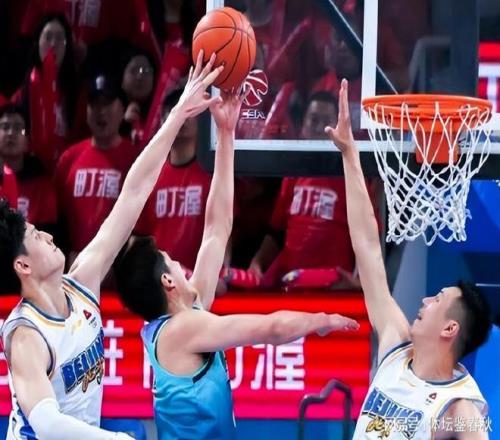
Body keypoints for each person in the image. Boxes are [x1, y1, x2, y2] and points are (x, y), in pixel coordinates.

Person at [113, 86, 360, 439]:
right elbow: (271, 328)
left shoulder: (188, 312)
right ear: (168, 282)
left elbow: (217, 228)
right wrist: (321, 320)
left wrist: (226, 134)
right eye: (171, 261)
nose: (180, 264)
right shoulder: (181, 331)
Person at [0, 52, 223, 440]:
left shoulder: (81, 282)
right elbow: (48, 424)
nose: (49, 236)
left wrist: (177, 115)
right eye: (36, 236)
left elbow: (133, 192)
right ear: (23, 266)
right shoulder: (25, 336)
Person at [328, 79, 492, 439]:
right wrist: (349, 154)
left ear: (450, 329)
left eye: (438, 300)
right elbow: (367, 249)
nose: (426, 300)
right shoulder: (395, 345)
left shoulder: (460, 408)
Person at [249, 92, 360, 290]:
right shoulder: (293, 175)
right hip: (292, 287)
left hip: (335, 288)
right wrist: (257, 262)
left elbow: (368, 240)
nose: (319, 127)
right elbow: (276, 233)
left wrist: (359, 282)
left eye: (326, 121)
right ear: (303, 126)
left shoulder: (352, 176)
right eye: (314, 120)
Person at [54, 74, 135, 264]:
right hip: (75, 267)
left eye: (107, 104)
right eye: (94, 105)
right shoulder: (68, 159)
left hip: (119, 268)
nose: (101, 111)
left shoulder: (136, 158)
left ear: (122, 109)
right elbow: (58, 217)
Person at [134, 88, 212, 271]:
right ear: (163, 122)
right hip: (158, 280)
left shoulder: (213, 176)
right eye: (176, 111)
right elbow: (140, 236)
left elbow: (224, 233)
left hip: (201, 280)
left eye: (190, 111)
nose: (183, 118)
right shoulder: (149, 177)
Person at [0, 103, 57, 229]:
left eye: (18, 128)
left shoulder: (42, 187)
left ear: (27, 140)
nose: (10, 133)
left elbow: (49, 234)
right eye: (5, 127)